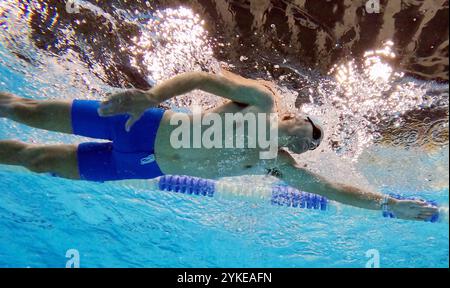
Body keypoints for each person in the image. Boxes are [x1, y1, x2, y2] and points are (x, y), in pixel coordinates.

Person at [0, 71, 438, 221]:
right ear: (294, 117)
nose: (310, 143)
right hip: (140, 124)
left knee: (36, 161)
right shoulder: (262, 100)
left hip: (138, 166)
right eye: (313, 130)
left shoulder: (275, 164)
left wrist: (387, 203)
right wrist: (153, 96)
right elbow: (203, 78)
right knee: (29, 111)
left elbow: (331, 191)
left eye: (314, 147)